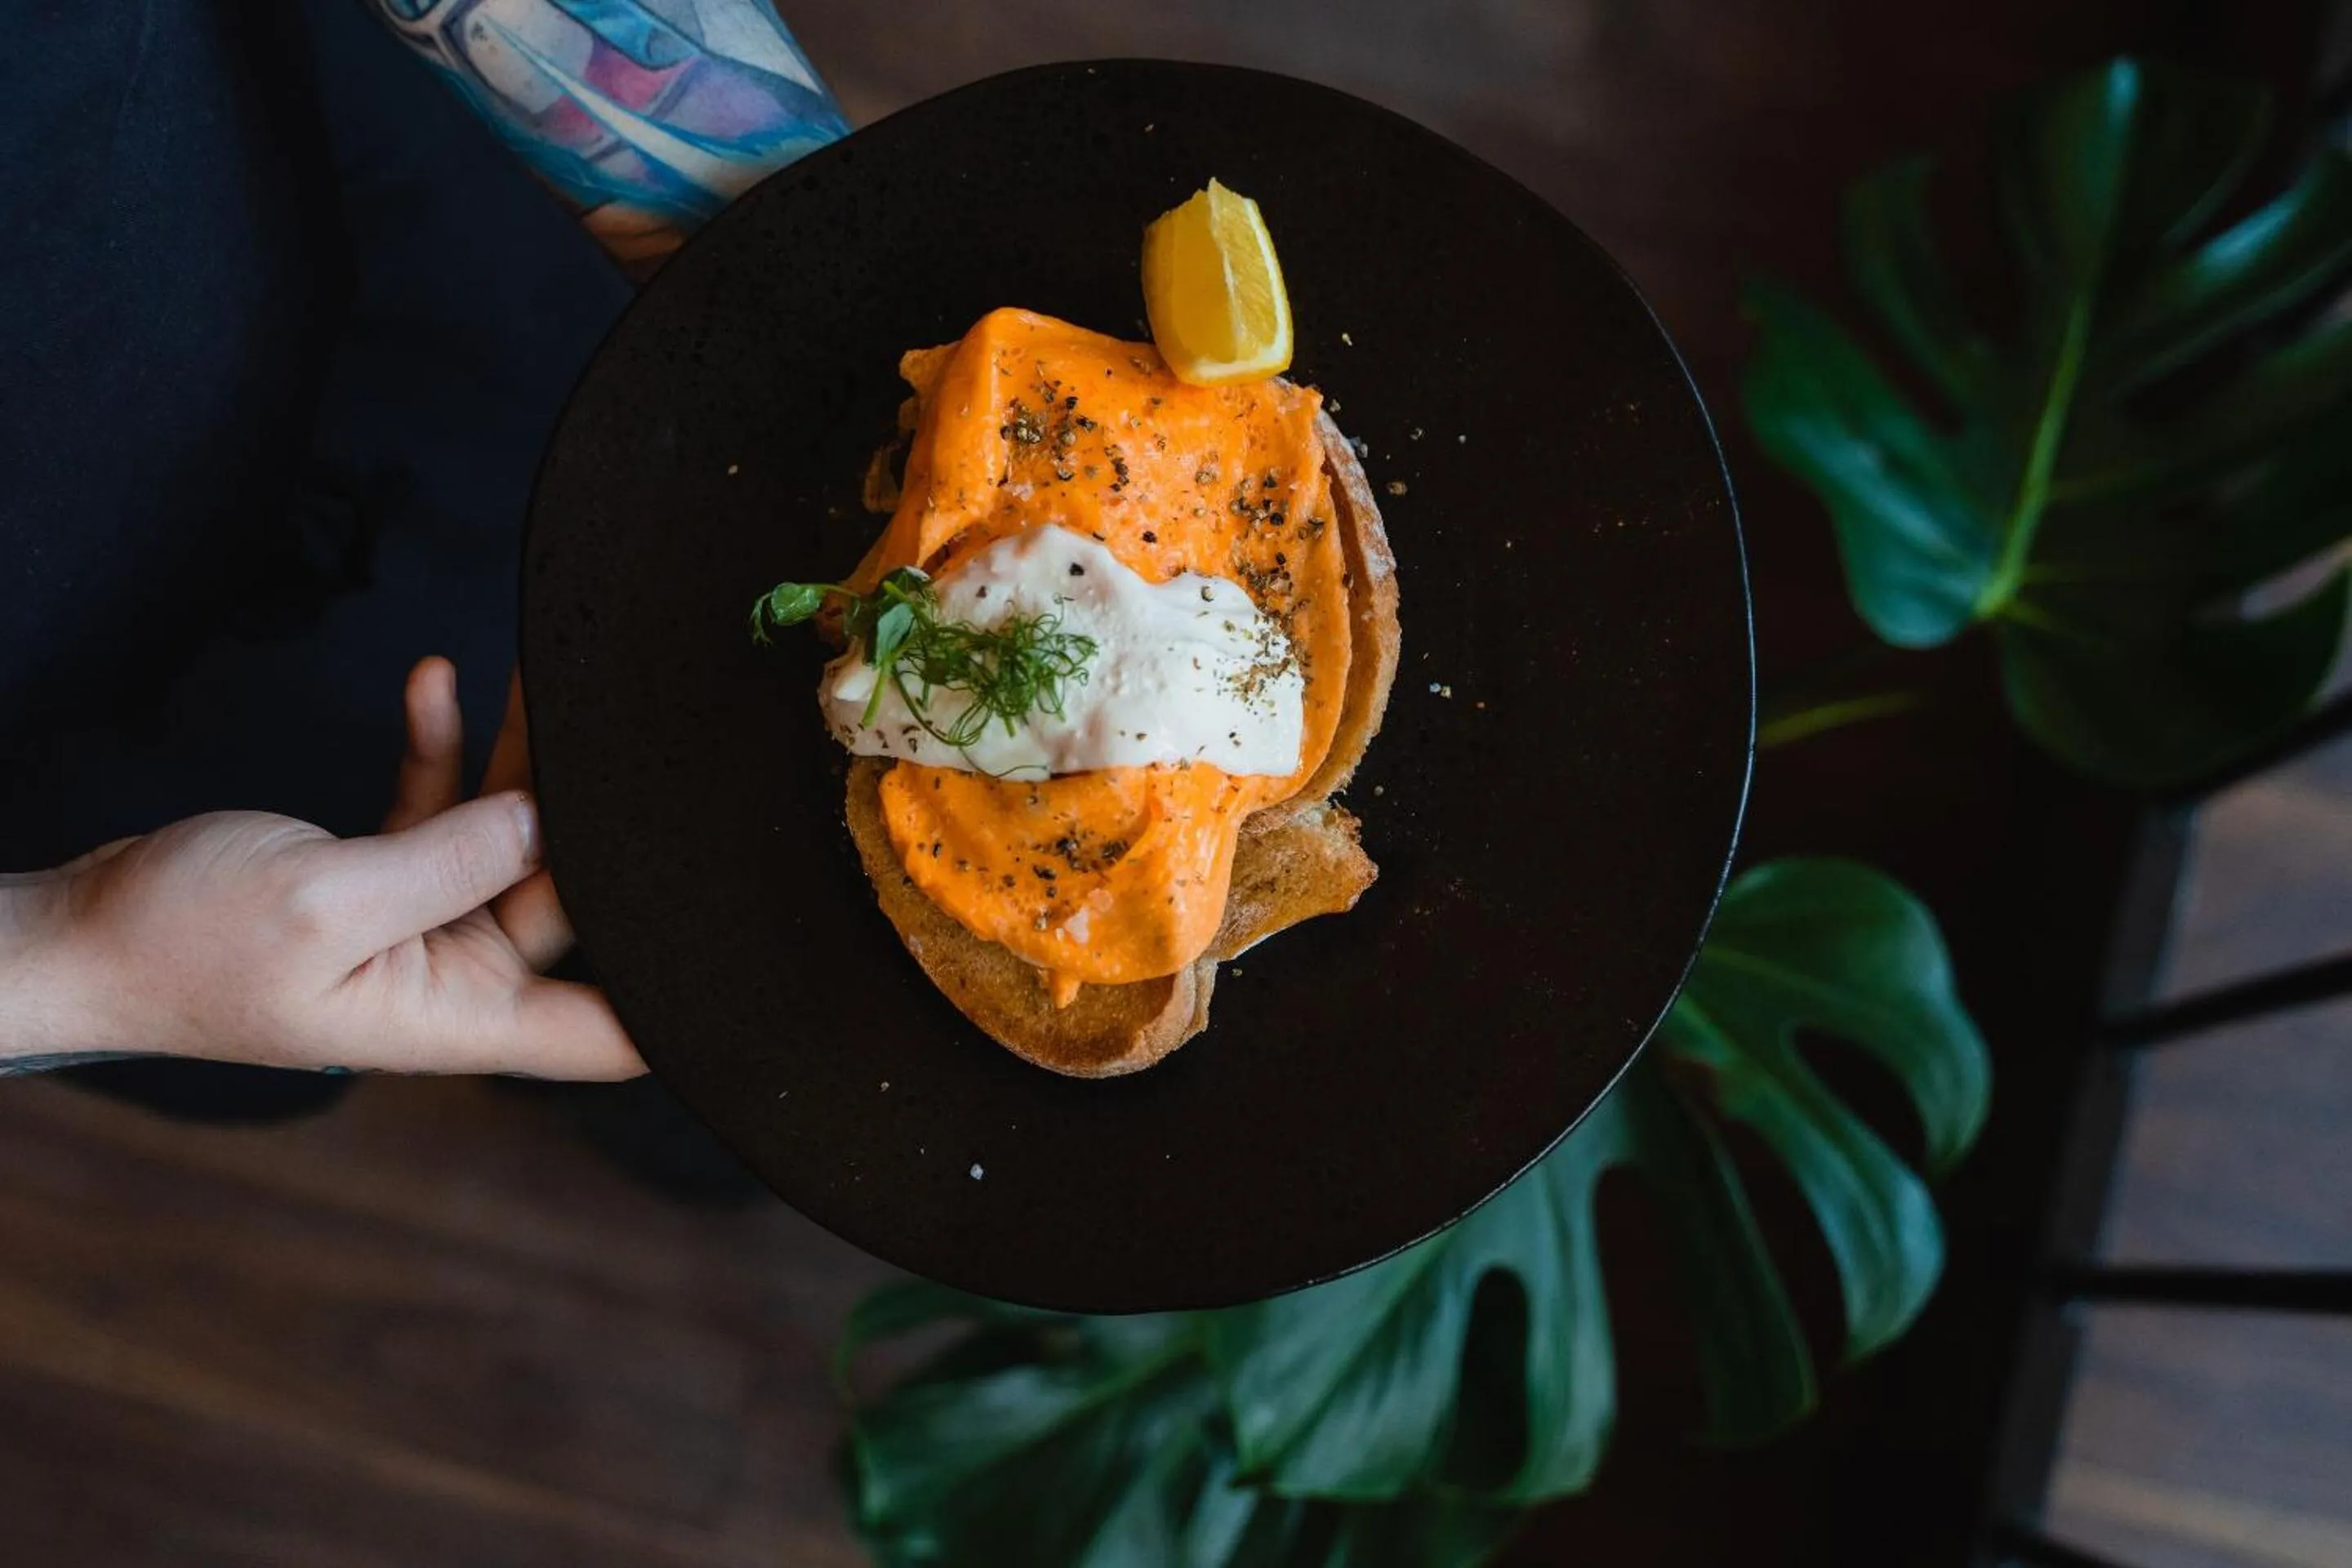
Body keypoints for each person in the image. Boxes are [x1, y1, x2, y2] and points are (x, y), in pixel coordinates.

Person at [2, 1, 847, 1097]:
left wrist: (829, 284)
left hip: (263, 160)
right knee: (281, 1061)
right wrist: (68, 957)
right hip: (51, 728)